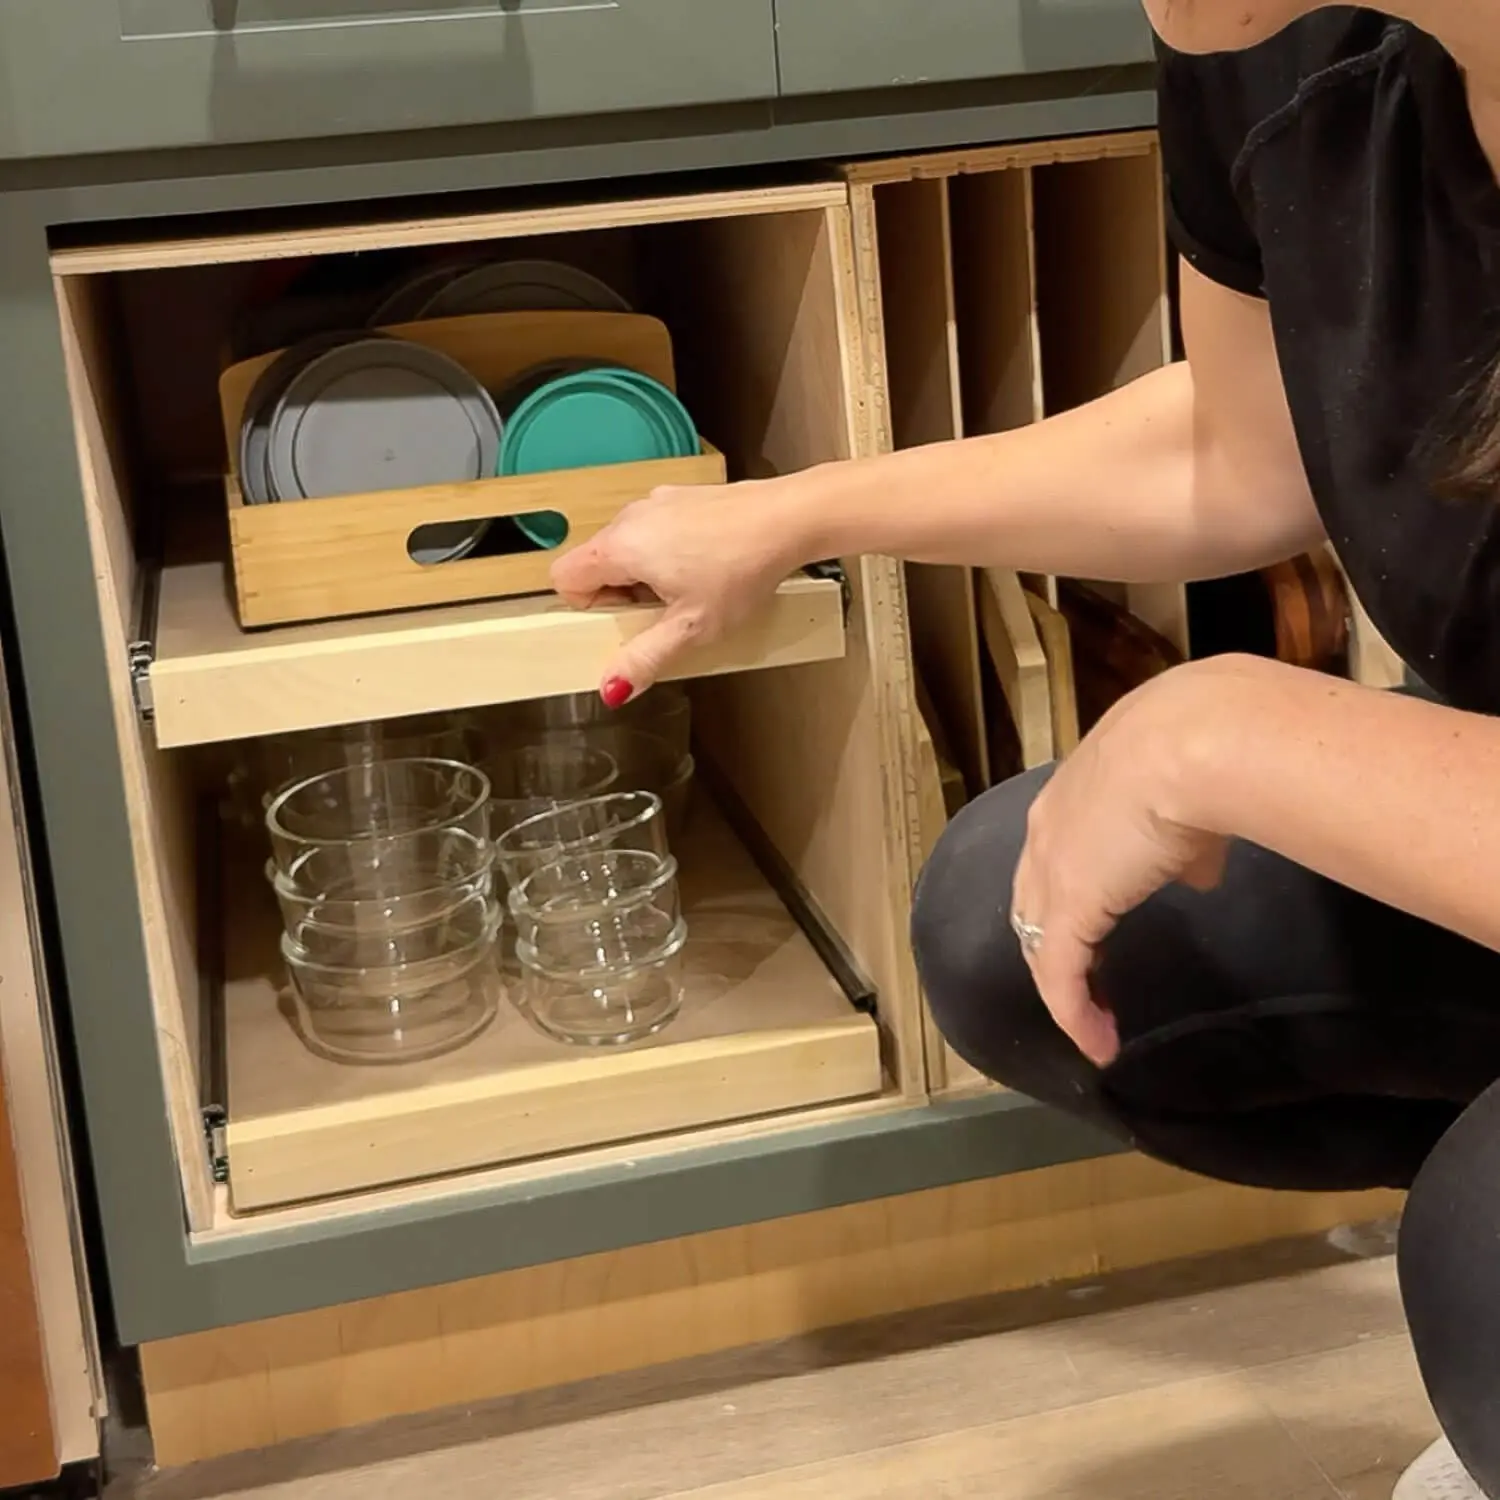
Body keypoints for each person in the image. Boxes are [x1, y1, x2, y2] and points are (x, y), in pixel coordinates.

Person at [552, 4, 1500, 1494]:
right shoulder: (1261, 34)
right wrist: (797, 514)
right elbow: (1241, 443)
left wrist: (1228, 733)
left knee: (1485, 1255)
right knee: (1008, 916)